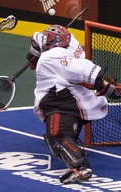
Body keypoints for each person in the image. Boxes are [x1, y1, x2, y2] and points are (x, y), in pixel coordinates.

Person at [25, 24, 121, 184]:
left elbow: (90, 72)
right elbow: (37, 50)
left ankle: (80, 167)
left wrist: (104, 86)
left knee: (57, 136)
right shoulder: (69, 46)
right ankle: (74, 142)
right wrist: (107, 89)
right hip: (79, 103)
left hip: (62, 106)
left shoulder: (52, 55)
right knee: (60, 135)